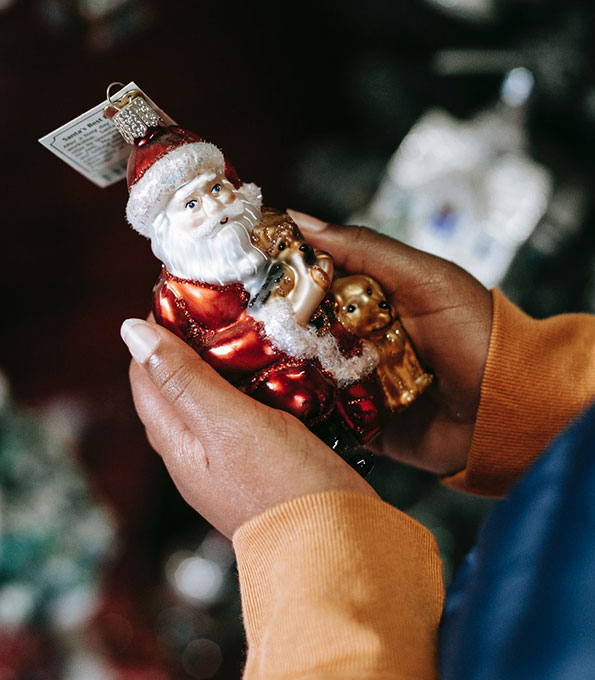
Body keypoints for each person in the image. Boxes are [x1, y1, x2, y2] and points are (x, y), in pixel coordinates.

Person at [120, 211, 595, 679]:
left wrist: (310, 538)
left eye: (217, 191)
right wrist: (528, 397)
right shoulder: (182, 294)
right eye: (191, 204)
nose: (213, 207)